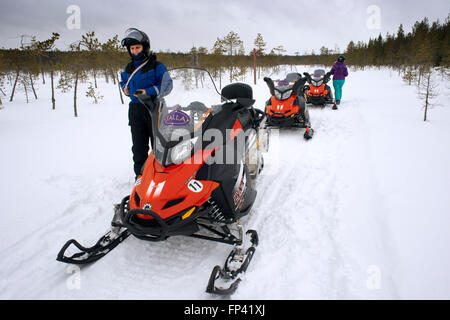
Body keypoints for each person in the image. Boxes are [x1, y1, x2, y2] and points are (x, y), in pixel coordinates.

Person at [120, 28, 168, 179]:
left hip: (154, 108)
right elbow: (123, 82)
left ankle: (161, 176)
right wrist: (125, 89)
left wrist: (149, 91)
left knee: (159, 145)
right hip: (135, 110)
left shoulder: (156, 66)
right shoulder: (128, 68)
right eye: (132, 48)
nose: (134, 51)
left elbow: (167, 85)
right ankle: (140, 178)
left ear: (145, 47)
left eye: (137, 47)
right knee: (139, 147)